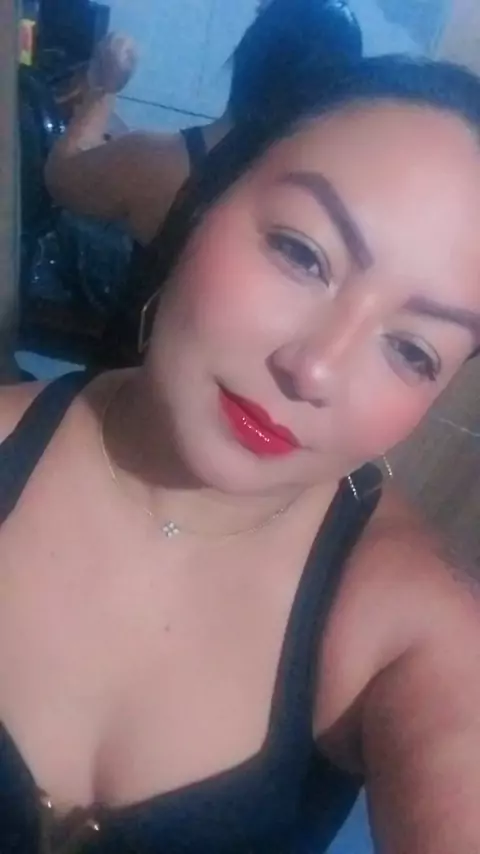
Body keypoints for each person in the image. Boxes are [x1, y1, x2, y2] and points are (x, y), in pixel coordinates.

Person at [1, 54, 480, 854]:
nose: (316, 367)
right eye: (302, 253)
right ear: (205, 196)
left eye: (412, 350)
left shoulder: (409, 629)